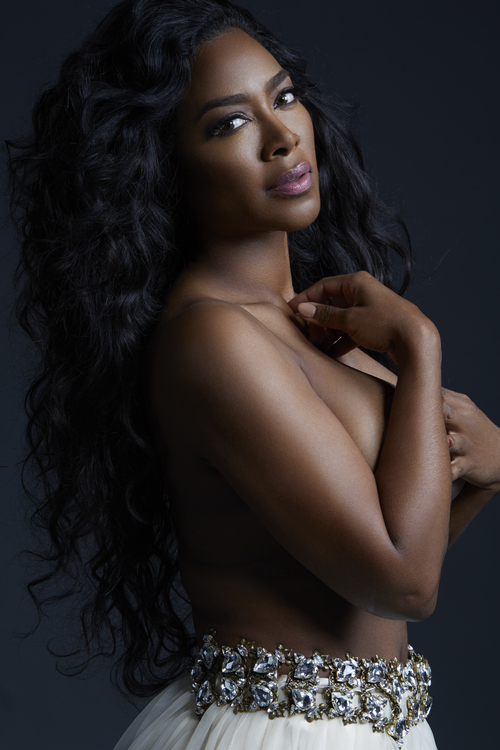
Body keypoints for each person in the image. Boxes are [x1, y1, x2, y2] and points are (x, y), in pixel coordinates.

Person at [6, 0, 500, 748]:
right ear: (163, 170)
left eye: (284, 97)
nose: (282, 136)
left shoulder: (308, 321)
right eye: (230, 123)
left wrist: (488, 475)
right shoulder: (214, 337)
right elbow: (403, 581)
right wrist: (421, 346)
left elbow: (369, 562)